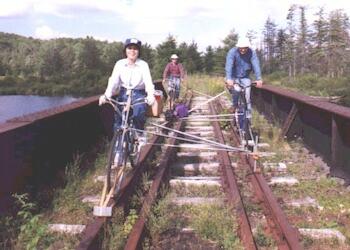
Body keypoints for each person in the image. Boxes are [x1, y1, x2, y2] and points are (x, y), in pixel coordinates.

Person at [99, 38, 155, 145]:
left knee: (139, 113)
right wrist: (106, 95)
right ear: (125, 50)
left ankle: (140, 133)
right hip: (124, 92)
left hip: (139, 93)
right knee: (119, 121)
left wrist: (150, 95)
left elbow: (148, 82)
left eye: (135, 49)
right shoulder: (119, 64)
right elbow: (113, 81)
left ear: (139, 51)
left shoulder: (143, 65)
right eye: (129, 48)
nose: (132, 51)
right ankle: (118, 148)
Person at [225, 36, 263, 119]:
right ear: (238, 47)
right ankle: (234, 105)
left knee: (247, 96)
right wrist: (228, 78)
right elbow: (229, 65)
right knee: (237, 90)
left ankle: (248, 118)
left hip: (245, 77)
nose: (243, 50)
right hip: (233, 77)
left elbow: (256, 65)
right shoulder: (232, 52)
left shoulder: (252, 53)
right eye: (241, 48)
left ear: (247, 47)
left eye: (245, 48)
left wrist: (259, 78)